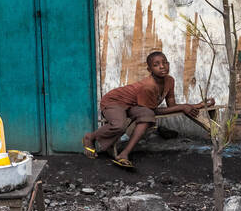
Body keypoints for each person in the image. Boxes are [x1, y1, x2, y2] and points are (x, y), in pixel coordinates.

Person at [84, 51, 213, 169]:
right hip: (114, 102)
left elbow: (171, 105)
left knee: (147, 115)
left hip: (135, 104)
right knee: (119, 125)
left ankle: (124, 154)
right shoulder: (149, 86)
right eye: (156, 65)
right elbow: (156, 110)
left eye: (165, 63)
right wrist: (183, 107)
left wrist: (195, 105)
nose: (162, 66)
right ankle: (90, 137)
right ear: (149, 69)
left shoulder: (169, 80)